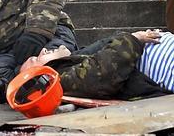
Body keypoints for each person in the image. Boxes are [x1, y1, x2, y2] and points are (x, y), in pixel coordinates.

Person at [19, 29, 173, 99]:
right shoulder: (60, 79)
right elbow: (101, 73)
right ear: (41, 79)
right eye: (35, 60)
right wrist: (133, 39)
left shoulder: (72, 63)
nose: (43, 50)